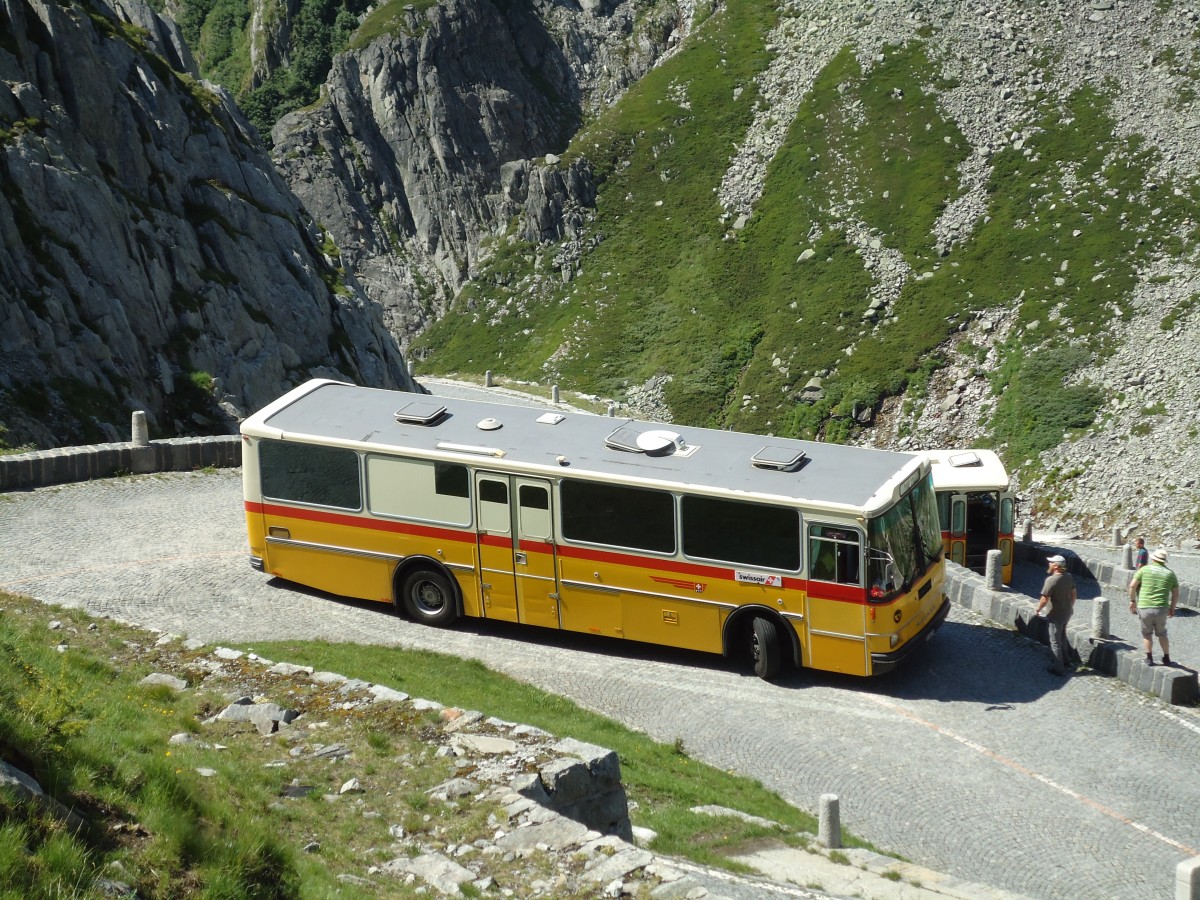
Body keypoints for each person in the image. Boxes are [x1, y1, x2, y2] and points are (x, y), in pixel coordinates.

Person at [1129, 548, 1179, 666]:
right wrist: (1172, 608)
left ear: (1153, 559)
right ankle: (1166, 657)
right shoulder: (1170, 574)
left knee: (1147, 633)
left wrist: (1132, 601)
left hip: (1145, 607)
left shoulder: (1144, 570)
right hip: (1162, 608)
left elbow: (1132, 586)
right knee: (1162, 633)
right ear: (1164, 561)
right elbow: (1176, 594)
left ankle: (1149, 658)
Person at [1036, 554, 1076, 676]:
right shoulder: (1069, 576)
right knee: (1062, 636)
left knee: (1055, 641)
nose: (1049, 564)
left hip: (1055, 615)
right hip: (1067, 612)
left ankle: (1059, 668)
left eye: (1051, 562)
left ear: (1057, 566)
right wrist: (1070, 605)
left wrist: (1038, 609)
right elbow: (1074, 593)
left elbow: (1044, 598)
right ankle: (1066, 660)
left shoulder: (1051, 580)